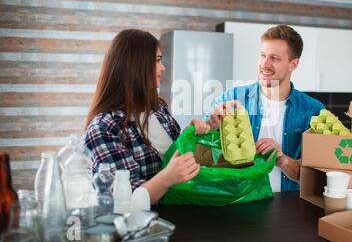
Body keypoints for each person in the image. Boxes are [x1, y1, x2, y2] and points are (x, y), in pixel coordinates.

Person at [84, 29, 210, 204]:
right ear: (137, 66)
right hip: (142, 228)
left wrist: (195, 132)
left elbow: (176, 156)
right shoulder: (103, 128)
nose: (163, 67)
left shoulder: (158, 108)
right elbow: (122, 199)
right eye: (158, 60)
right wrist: (167, 178)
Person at [205, 25, 324, 192]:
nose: (264, 64)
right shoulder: (231, 99)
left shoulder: (313, 111)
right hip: (238, 200)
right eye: (262, 55)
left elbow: (315, 176)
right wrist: (210, 124)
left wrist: (282, 160)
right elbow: (199, 151)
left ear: (293, 64)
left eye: (274, 58)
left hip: (286, 206)